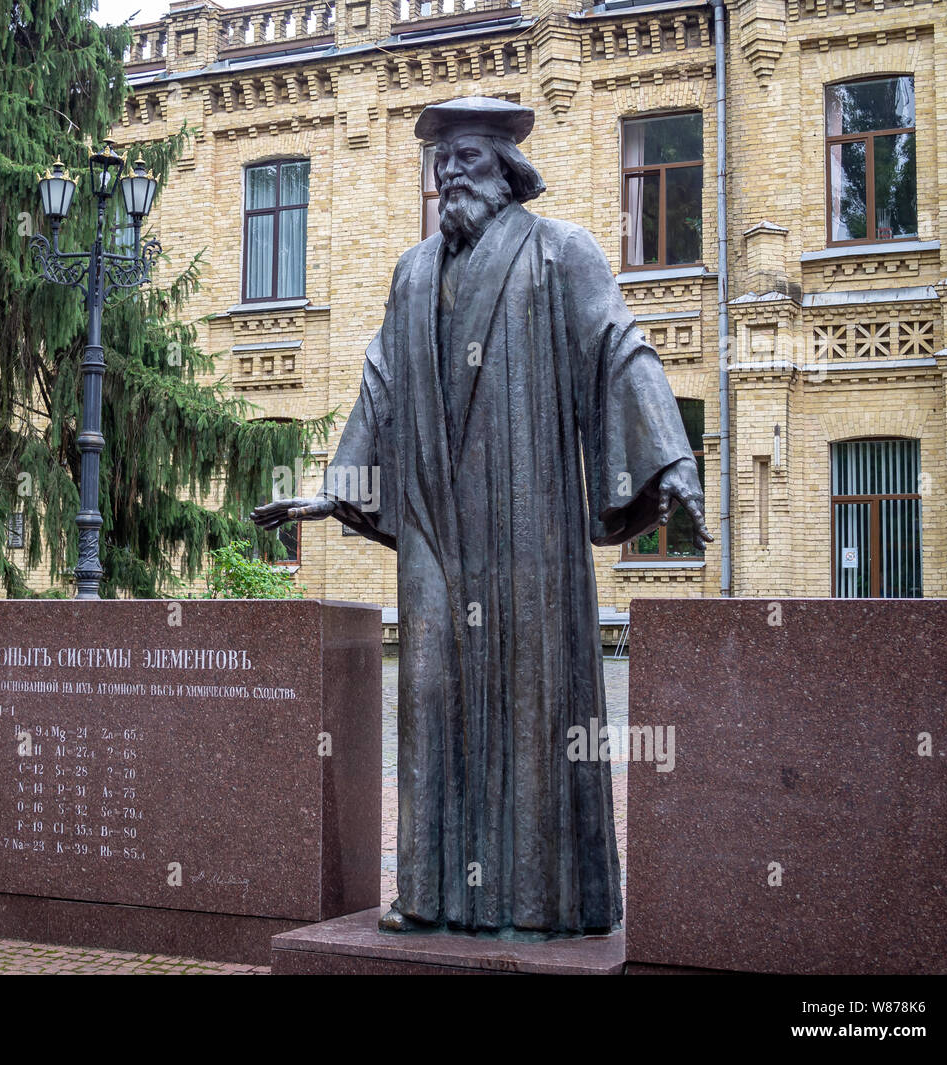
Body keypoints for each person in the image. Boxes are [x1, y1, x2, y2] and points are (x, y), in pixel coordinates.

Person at [253, 96, 710, 935]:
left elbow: (620, 344)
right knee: (427, 698)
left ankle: (536, 902)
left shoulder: (559, 253)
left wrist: (672, 459)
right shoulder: (412, 272)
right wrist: (335, 488)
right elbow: (381, 386)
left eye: (466, 156)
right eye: (440, 160)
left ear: (506, 169)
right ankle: (427, 891)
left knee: (533, 710)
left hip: (526, 525)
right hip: (432, 524)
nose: (448, 173)